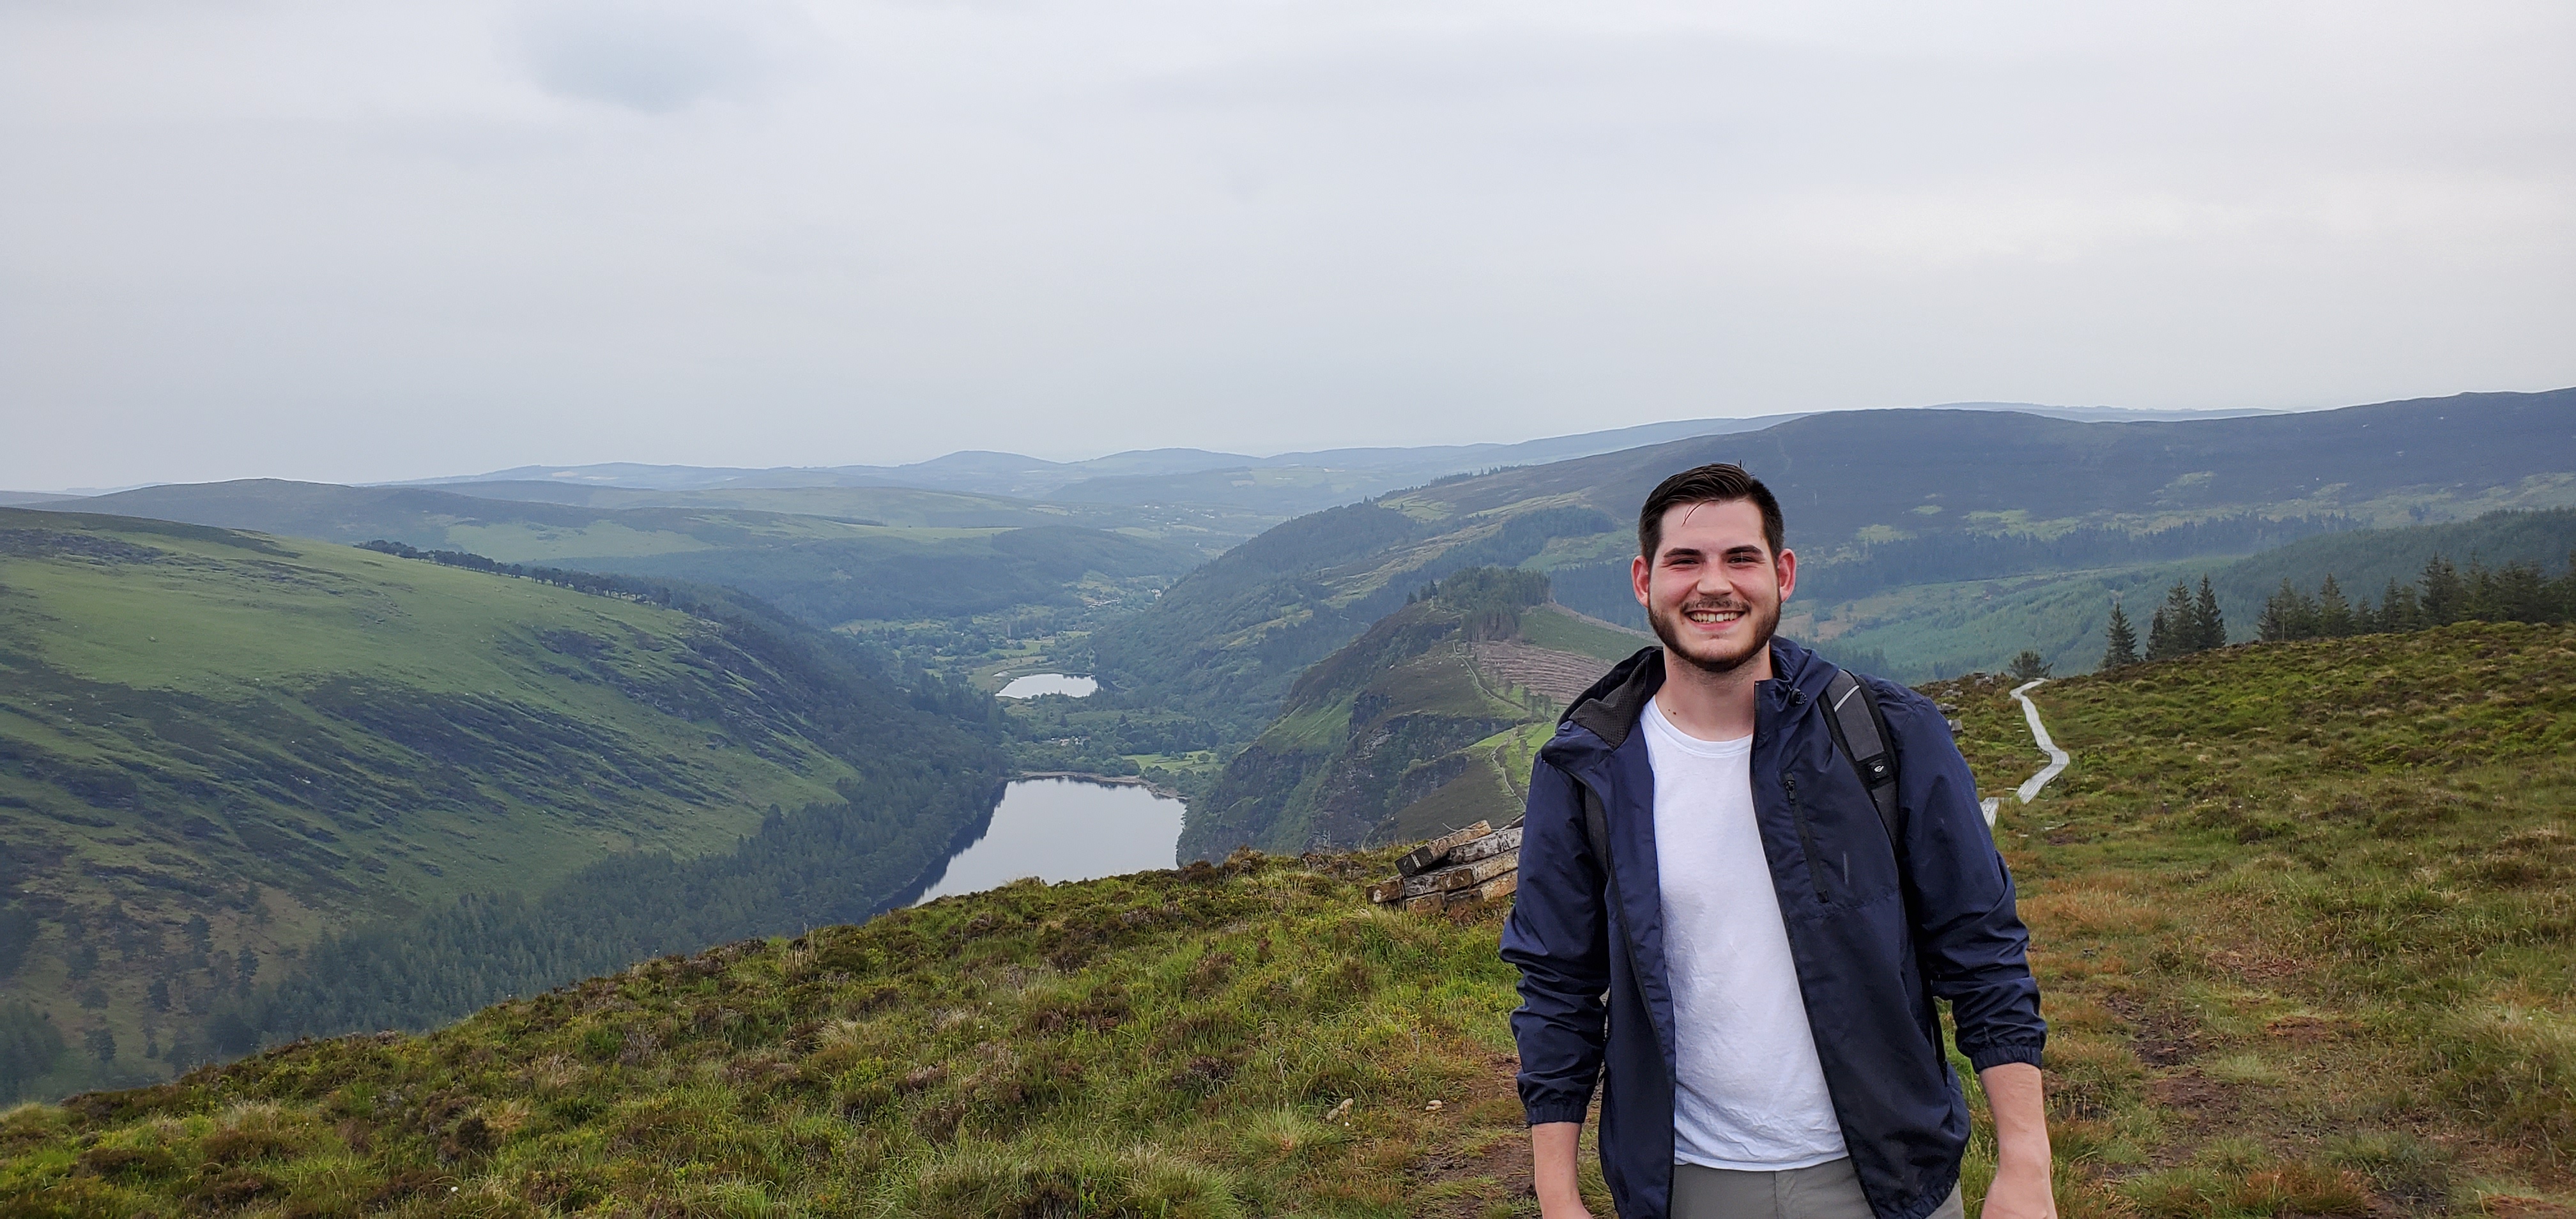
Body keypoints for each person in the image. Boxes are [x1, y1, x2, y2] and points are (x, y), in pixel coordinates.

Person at [1500, 463, 2053, 1219]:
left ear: (1783, 573)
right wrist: (1557, 1196)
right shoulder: (1589, 766)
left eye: (1740, 558)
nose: (1713, 586)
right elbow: (1558, 986)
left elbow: (1981, 948)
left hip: (1887, 1185)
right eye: (1685, 561)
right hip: (1687, 1185)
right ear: (1643, 579)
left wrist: (2027, 1163)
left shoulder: (1887, 735)